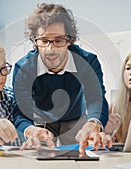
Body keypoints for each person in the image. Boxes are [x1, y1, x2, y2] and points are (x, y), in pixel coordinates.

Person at [12, 3, 111, 156]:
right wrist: (29, 129)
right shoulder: (23, 68)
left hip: (74, 118)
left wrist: (93, 123)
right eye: (44, 41)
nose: (50, 49)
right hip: (41, 122)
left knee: (80, 156)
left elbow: (96, 99)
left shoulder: (88, 62)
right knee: (38, 158)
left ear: (69, 40)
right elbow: (20, 110)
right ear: (34, 40)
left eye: (58, 40)